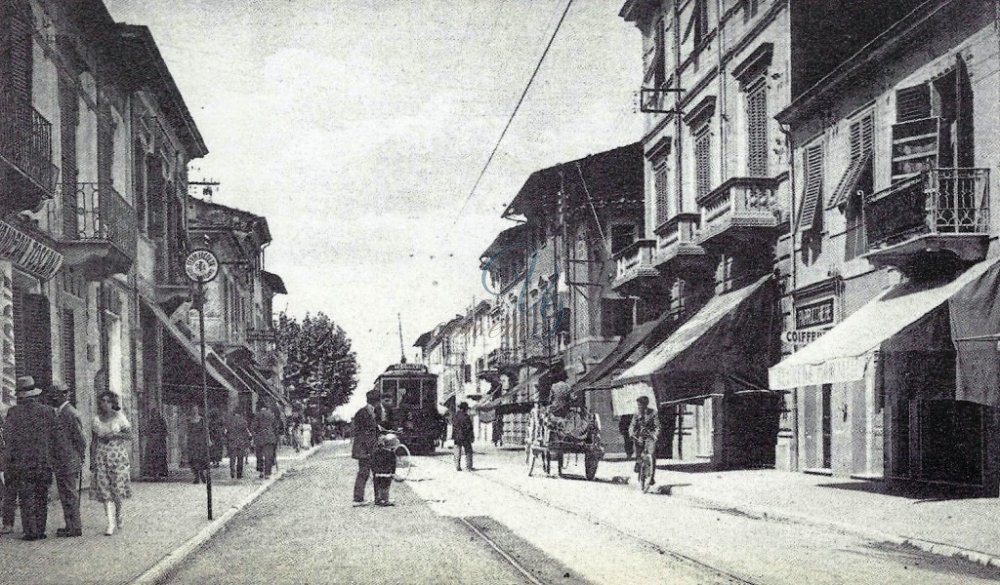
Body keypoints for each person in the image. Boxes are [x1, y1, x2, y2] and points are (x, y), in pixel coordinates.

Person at [1, 376, 57, 540]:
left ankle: (30, 531)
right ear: (35, 395)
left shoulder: (13, 413)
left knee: (27, 497)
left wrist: (8, 463)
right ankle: (40, 529)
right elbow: (55, 437)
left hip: (22, 462)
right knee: (41, 496)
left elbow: (9, 439)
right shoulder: (48, 411)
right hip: (43, 461)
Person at [91, 390, 132, 536]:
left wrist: (115, 434)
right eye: (102, 401)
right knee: (104, 490)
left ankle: (119, 514)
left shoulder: (120, 418)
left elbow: (130, 435)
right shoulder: (96, 420)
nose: (105, 404)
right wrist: (92, 461)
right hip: (101, 457)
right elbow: (94, 441)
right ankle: (110, 523)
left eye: (108, 401)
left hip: (118, 457)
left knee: (117, 490)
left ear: (113, 403)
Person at [48, 383, 86, 537]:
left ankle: (75, 527)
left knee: (69, 494)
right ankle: (70, 525)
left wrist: (80, 457)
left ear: (63, 396)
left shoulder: (69, 413)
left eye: (55, 395)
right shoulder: (60, 412)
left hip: (68, 460)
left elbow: (80, 440)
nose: (52, 398)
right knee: (66, 494)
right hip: (62, 460)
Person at [351, 390, 381, 503]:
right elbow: (363, 433)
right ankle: (358, 499)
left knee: (376, 472)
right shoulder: (363, 413)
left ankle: (378, 498)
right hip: (364, 449)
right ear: (376, 401)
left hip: (369, 448)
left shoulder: (370, 412)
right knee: (364, 473)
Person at [629, 396, 660, 487]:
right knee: (638, 451)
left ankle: (652, 477)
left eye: (640, 405)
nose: (639, 407)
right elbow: (632, 425)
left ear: (645, 404)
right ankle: (638, 462)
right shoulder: (636, 414)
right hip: (640, 436)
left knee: (652, 455)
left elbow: (657, 426)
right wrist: (632, 433)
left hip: (650, 436)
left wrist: (655, 435)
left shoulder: (653, 413)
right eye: (638, 405)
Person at [250, 403, 278, 478]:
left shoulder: (257, 415)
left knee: (259, 456)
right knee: (268, 456)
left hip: (259, 438)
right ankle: (267, 473)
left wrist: (255, 436)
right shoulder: (272, 415)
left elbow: (253, 427)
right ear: (267, 408)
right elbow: (276, 428)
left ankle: (261, 471)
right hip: (270, 438)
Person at [371, 433, 398, 506]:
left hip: (377, 473)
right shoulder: (392, 454)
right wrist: (393, 473)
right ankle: (385, 500)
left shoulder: (377, 451)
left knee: (379, 486)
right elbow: (393, 465)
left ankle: (378, 499)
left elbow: (373, 462)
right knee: (386, 487)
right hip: (387, 474)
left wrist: (374, 471)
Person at [224, 407, 251, 479]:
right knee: (240, 458)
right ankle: (239, 474)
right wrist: (247, 442)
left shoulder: (229, 421)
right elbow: (246, 433)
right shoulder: (243, 421)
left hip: (232, 442)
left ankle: (232, 471)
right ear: (241, 413)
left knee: (232, 458)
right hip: (241, 442)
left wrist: (227, 439)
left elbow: (226, 432)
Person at [187, 405, 210, 484]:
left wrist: (208, 440)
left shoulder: (202, 420)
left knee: (200, 459)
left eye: (196, 410)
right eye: (193, 410)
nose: (194, 411)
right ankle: (196, 475)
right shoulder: (189, 420)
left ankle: (201, 473)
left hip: (200, 442)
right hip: (192, 442)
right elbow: (186, 431)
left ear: (198, 410)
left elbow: (206, 431)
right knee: (193, 459)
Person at [144, 406, 169, 480]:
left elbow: (165, 431)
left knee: (160, 458)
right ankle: (154, 474)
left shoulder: (162, 421)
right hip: (152, 443)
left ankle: (159, 474)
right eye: (153, 413)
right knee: (152, 458)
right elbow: (146, 431)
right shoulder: (150, 422)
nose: (154, 415)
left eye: (156, 413)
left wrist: (160, 435)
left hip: (160, 443)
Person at [452, 402, 474, 471]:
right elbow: (469, 427)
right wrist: (471, 436)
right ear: (465, 409)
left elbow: (454, 426)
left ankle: (457, 466)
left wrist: (454, 435)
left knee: (457, 451)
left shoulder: (455, 416)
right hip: (465, 436)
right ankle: (468, 466)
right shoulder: (466, 416)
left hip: (457, 436)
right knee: (468, 451)